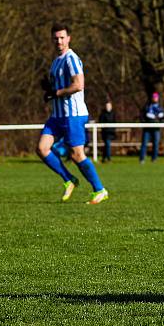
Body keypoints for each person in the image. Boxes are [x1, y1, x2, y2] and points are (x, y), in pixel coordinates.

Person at [36, 22, 108, 204]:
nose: (59, 41)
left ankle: (99, 189)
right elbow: (57, 88)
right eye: (56, 38)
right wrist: (49, 90)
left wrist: (56, 92)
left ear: (69, 38)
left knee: (77, 154)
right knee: (42, 149)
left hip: (72, 115)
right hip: (57, 115)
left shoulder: (71, 59)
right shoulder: (55, 61)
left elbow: (78, 85)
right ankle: (69, 180)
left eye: (62, 37)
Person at [139, 92, 164, 163]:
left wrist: (160, 122)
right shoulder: (147, 106)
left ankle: (154, 159)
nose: (155, 99)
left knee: (156, 144)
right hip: (147, 128)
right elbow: (142, 116)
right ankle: (142, 159)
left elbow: (162, 117)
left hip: (156, 128)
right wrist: (143, 123)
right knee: (144, 143)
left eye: (156, 97)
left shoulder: (160, 107)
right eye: (154, 97)